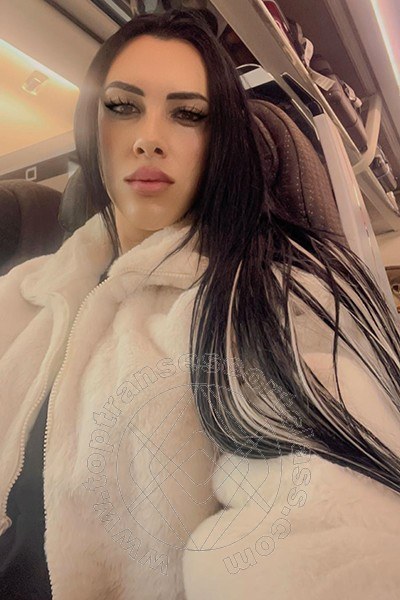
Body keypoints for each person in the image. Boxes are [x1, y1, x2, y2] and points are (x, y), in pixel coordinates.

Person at [0, 8, 399, 600]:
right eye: (122, 106)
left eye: (187, 114)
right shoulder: (20, 290)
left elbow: (328, 530)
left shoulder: (270, 300)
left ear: (220, 144)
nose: (148, 138)